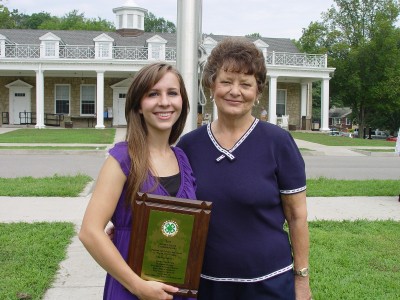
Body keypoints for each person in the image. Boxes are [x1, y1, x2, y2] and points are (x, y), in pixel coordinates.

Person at [177, 37, 312, 300]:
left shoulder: (279, 143)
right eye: (226, 81)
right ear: (211, 85)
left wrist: (302, 279)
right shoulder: (189, 146)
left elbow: (297, 216)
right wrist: (129, 222)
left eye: (246, 84)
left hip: (270, 282)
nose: (235, 91)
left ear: (258, 92)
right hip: (207, 283)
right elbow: (172, 205)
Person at [79, 62, 197, 300]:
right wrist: (137, 286)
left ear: (182, 102)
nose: (164, 102)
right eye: (153, 94)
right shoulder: (122, 158)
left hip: (177, 290)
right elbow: (90, 232)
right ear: (139, 106)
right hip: (131, 290)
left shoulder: (182, 158)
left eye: (172, 93)